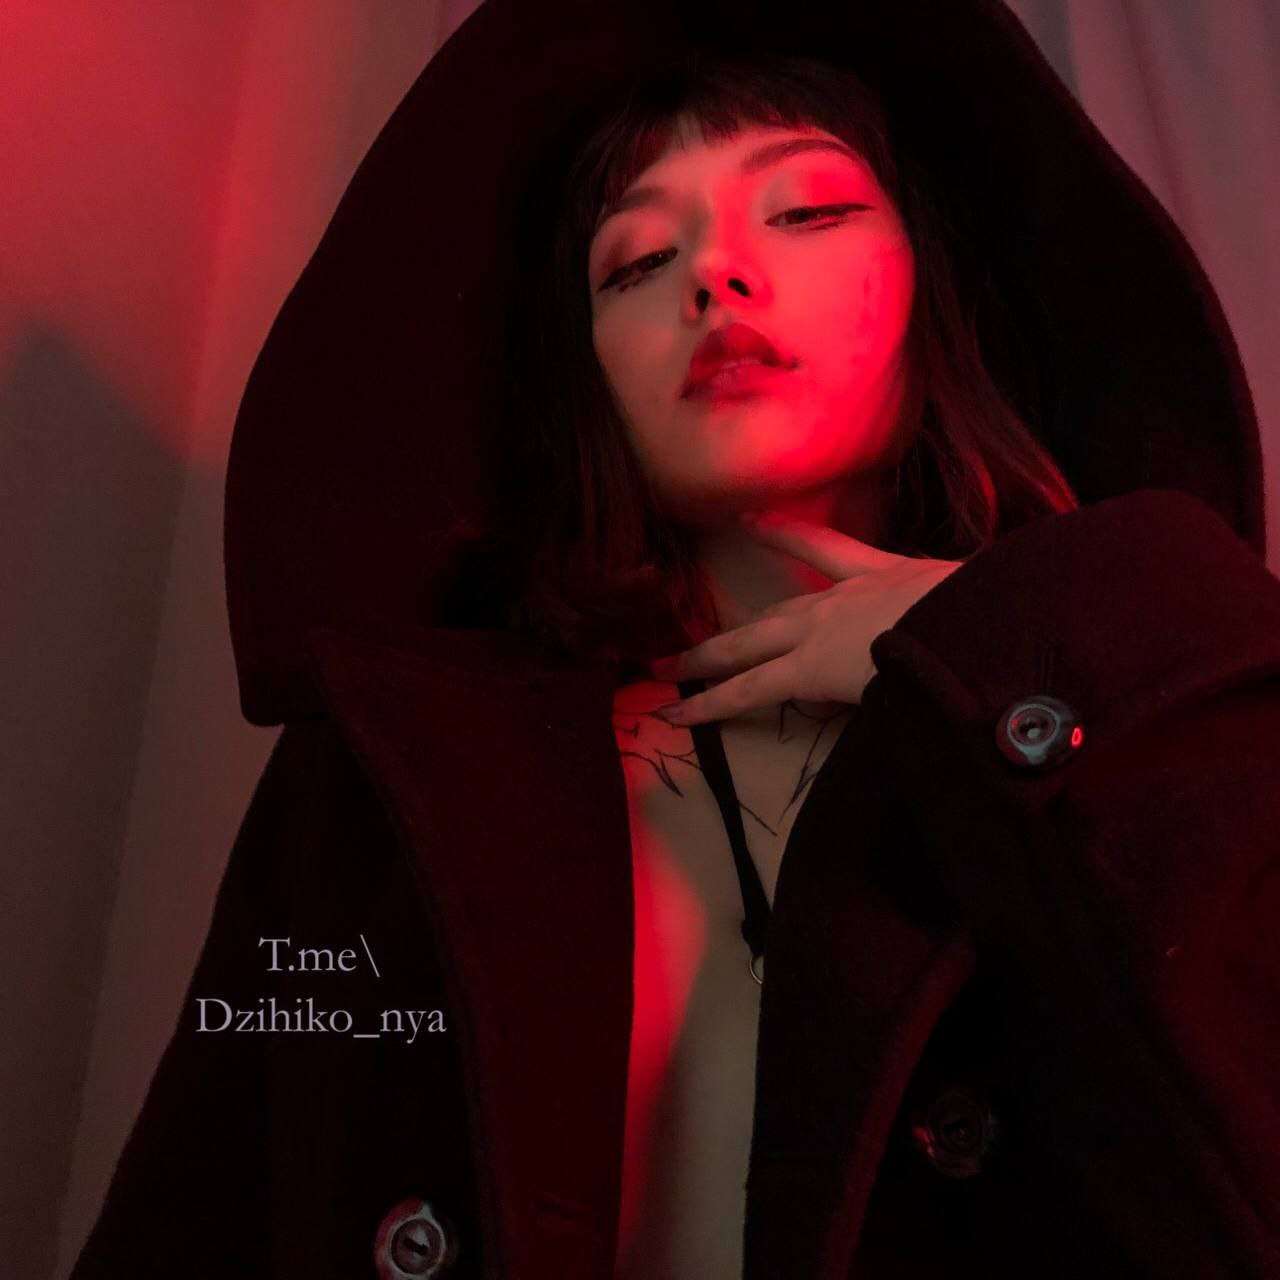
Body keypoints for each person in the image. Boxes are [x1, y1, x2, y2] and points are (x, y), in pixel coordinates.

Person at [72, 2, 1280, 1278]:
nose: (713, 273)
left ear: (936, 285)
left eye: (805, 210)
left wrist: (1009, 663)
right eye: (635, 262)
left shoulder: (1145, 720)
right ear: (584, 376)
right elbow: (198, 1215)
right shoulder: (383, 779)